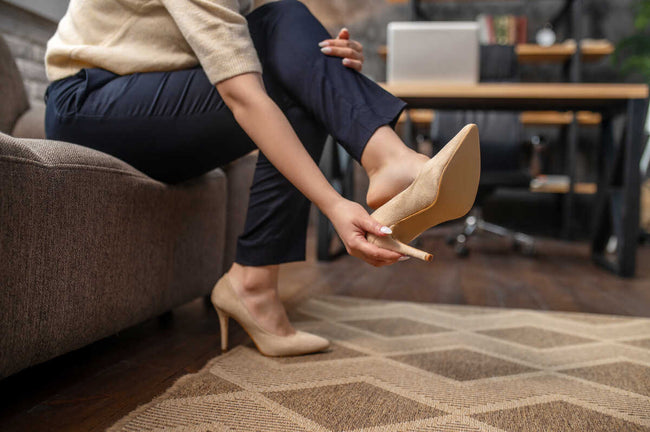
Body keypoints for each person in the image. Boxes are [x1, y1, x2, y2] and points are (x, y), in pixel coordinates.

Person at [44, 0, 477, 357]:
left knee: (294, 34)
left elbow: (257, 43)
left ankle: (255, 282)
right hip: (91, 106)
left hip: (153, 93)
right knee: (288, 49)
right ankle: (388, 163)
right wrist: (333, 204)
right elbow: (243, 96)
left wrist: (322, 70)